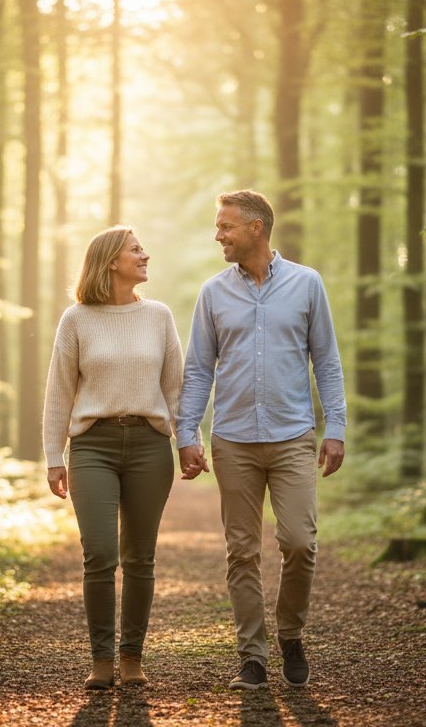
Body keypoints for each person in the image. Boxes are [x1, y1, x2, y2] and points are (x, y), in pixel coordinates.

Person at [177, 189, 347, 690]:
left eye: (226, 226)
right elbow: (197, 370)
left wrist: (335, 427)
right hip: (233, 441)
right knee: (241, 551)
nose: (218, 235)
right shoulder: (213, 293)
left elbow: (328, 362)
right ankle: (252, 655)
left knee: (300, 543)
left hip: (293, 436)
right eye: (217, 226)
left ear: (256, 227)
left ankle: (290, 634)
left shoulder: (306, 284)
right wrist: (186, 434)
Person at [42, 225, 183, 690]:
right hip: (92, 446)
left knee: (140, 556)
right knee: (99, 553)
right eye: (136, 250)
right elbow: (59, 392)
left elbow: (175, 389)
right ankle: (101, 658)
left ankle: (131, 657)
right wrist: (53, 456)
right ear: (110, 263)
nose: (146, 255)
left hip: (148, 445)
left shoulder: (159, 316)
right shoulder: (77, 319)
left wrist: (188, 442)